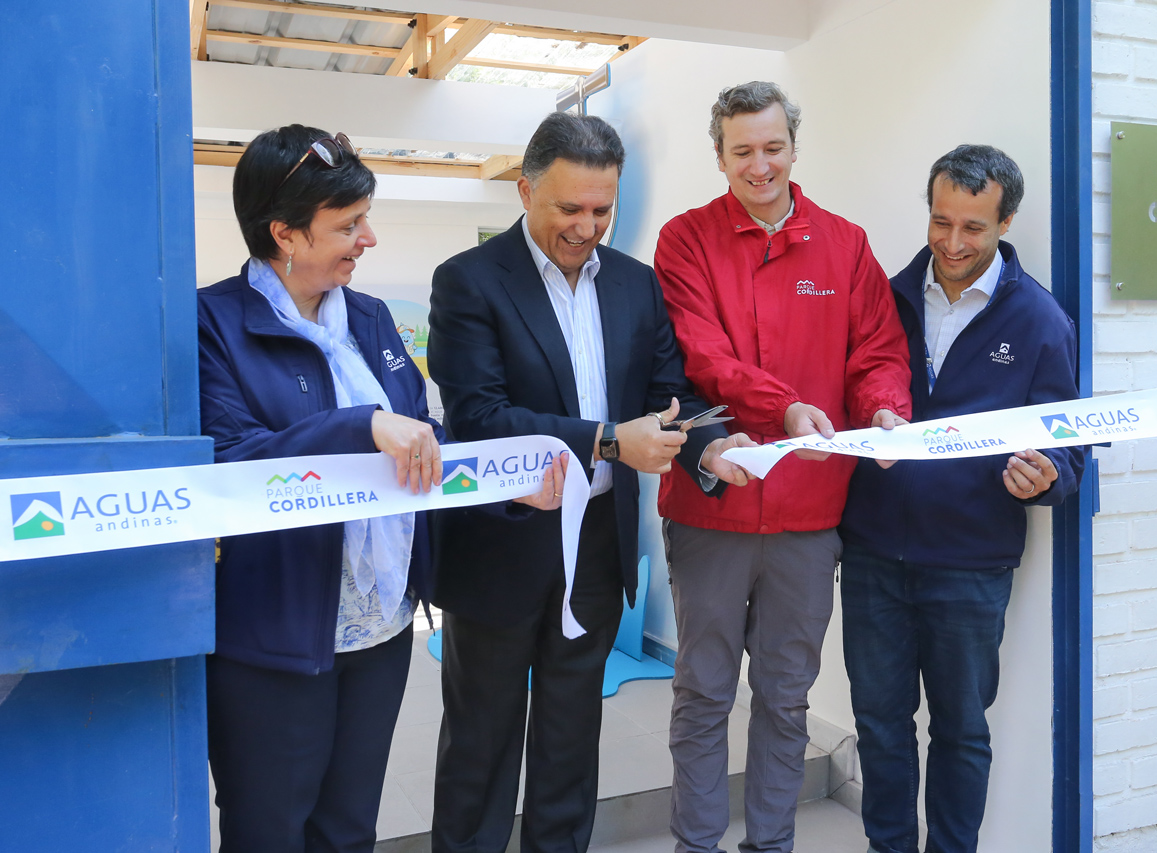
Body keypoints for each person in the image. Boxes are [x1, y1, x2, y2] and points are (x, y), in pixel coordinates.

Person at [197, 123, 564, 853]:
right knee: (269, 826)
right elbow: (236, 459)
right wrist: (361, 424)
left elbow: (422, 438)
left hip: (382, 624)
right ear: (285, 233)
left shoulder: (368, 318)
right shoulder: (215, 324)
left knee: (347, 826)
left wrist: (506, 485)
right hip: (278, 630)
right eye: (348, 224)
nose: (368, 239)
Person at [426, 111, 755, 853]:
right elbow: (478, 418)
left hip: (596, 555)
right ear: (524, 191)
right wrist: (609, 440)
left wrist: (705, 448)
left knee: (571, 746)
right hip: (499, 550)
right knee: (481, 746)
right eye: (567, 208)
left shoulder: (637, 287)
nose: (585, 225)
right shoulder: (468, 281)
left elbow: (670, 393)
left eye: (601, 209)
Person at [654, 81, 912, 853]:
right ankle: (696, 843)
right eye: (742, 152)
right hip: (712, 510)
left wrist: (885, 409)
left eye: (772, 147)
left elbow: (876, 352)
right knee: (701, 692)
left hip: (809, 512)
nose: (759, 165)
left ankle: (771, 844)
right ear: (720, 155)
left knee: (786, 697)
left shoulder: (845, 242)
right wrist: (788, 403)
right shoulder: (685, 239)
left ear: (794, 146)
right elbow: (703, 354)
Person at [839, 145, 1085, 853]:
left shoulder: (1039, 321)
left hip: (972, 567)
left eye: (972, 228)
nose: (952, 242)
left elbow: (1066, 446)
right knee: (880, 725)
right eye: (940, 221)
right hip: (873, 556)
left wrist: (1049, 475)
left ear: (1006, 221)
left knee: (960, 731)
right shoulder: (884, 298)